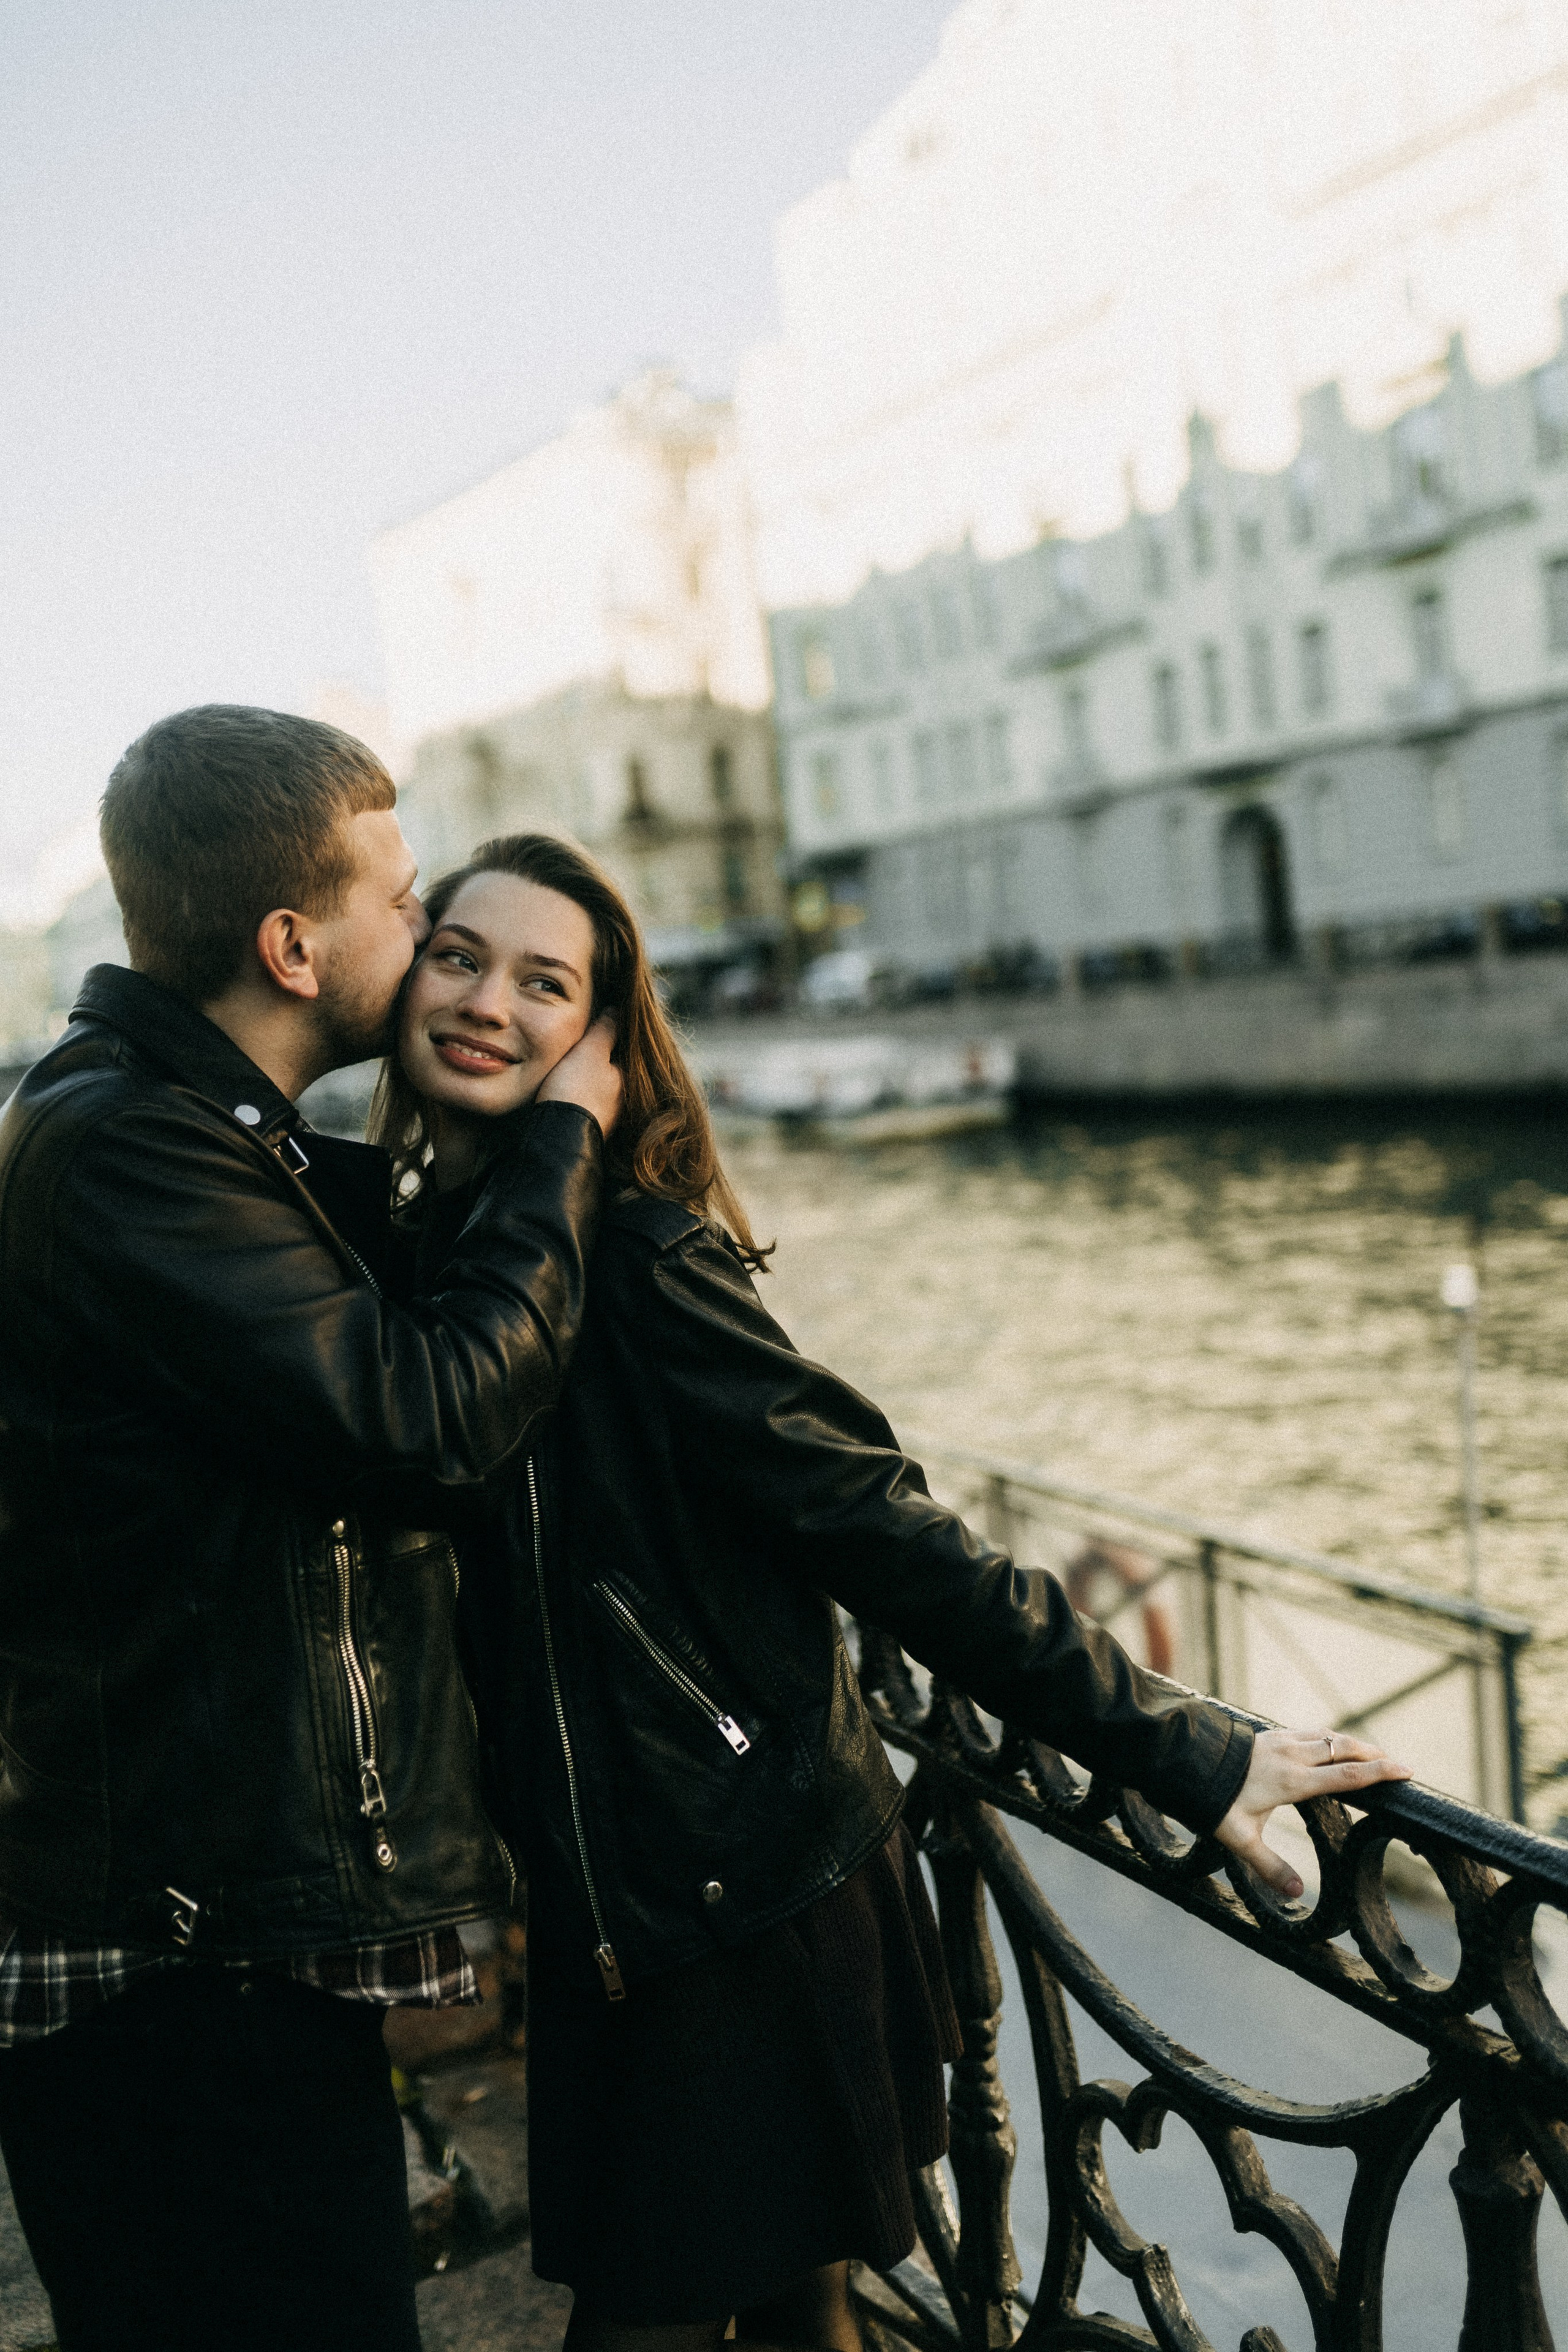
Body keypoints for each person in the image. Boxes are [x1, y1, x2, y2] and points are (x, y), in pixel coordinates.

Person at [371, 830, 1412, 2350]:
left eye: (544, 983)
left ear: (600, 1043)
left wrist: (1186, 1748)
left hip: (746, 1897)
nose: (483, 1002)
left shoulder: (643, 1268)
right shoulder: (444, 1262)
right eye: (457, 957)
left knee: (672, 2316)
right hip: (633, 1899)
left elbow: (889, 1529)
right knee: (799, 2307)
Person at [0, 710, 620, 2352]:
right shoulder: (131, 1144)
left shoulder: (196, 1131)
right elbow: (426, 1421)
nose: (424, 942)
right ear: (291, 943)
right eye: (405, 905)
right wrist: (568, 1141)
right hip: (183, 1963)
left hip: (216, 1939)